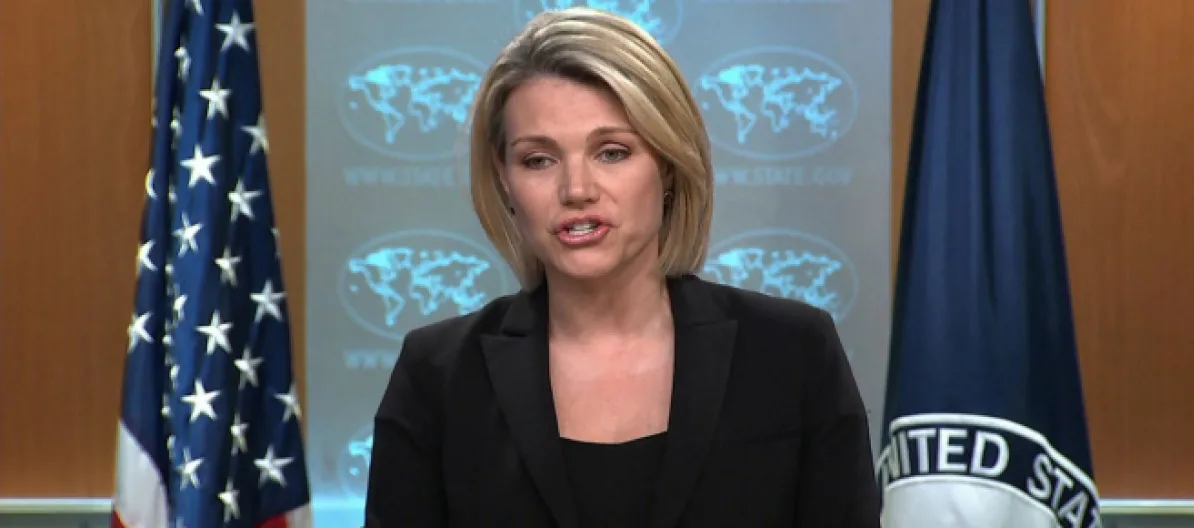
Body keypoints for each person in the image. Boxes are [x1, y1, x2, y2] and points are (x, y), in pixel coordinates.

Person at [364, 7, 881, 527]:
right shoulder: (437, 376)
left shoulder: (792, 354)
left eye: (611, 153)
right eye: (538, 160)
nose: (576, 190)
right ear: (504, 178)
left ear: (669, 164)